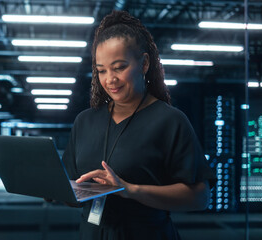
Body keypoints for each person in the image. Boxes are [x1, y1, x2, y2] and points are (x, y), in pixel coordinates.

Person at [61, 10, 216, 240]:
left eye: (119, 67)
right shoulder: (86, 120)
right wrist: (51, 187)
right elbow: (71, 189)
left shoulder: (169, 121)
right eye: (101, 70)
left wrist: (129, 189)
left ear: (144, 64)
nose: (109, 79)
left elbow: (200, 198)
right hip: (92, 233)